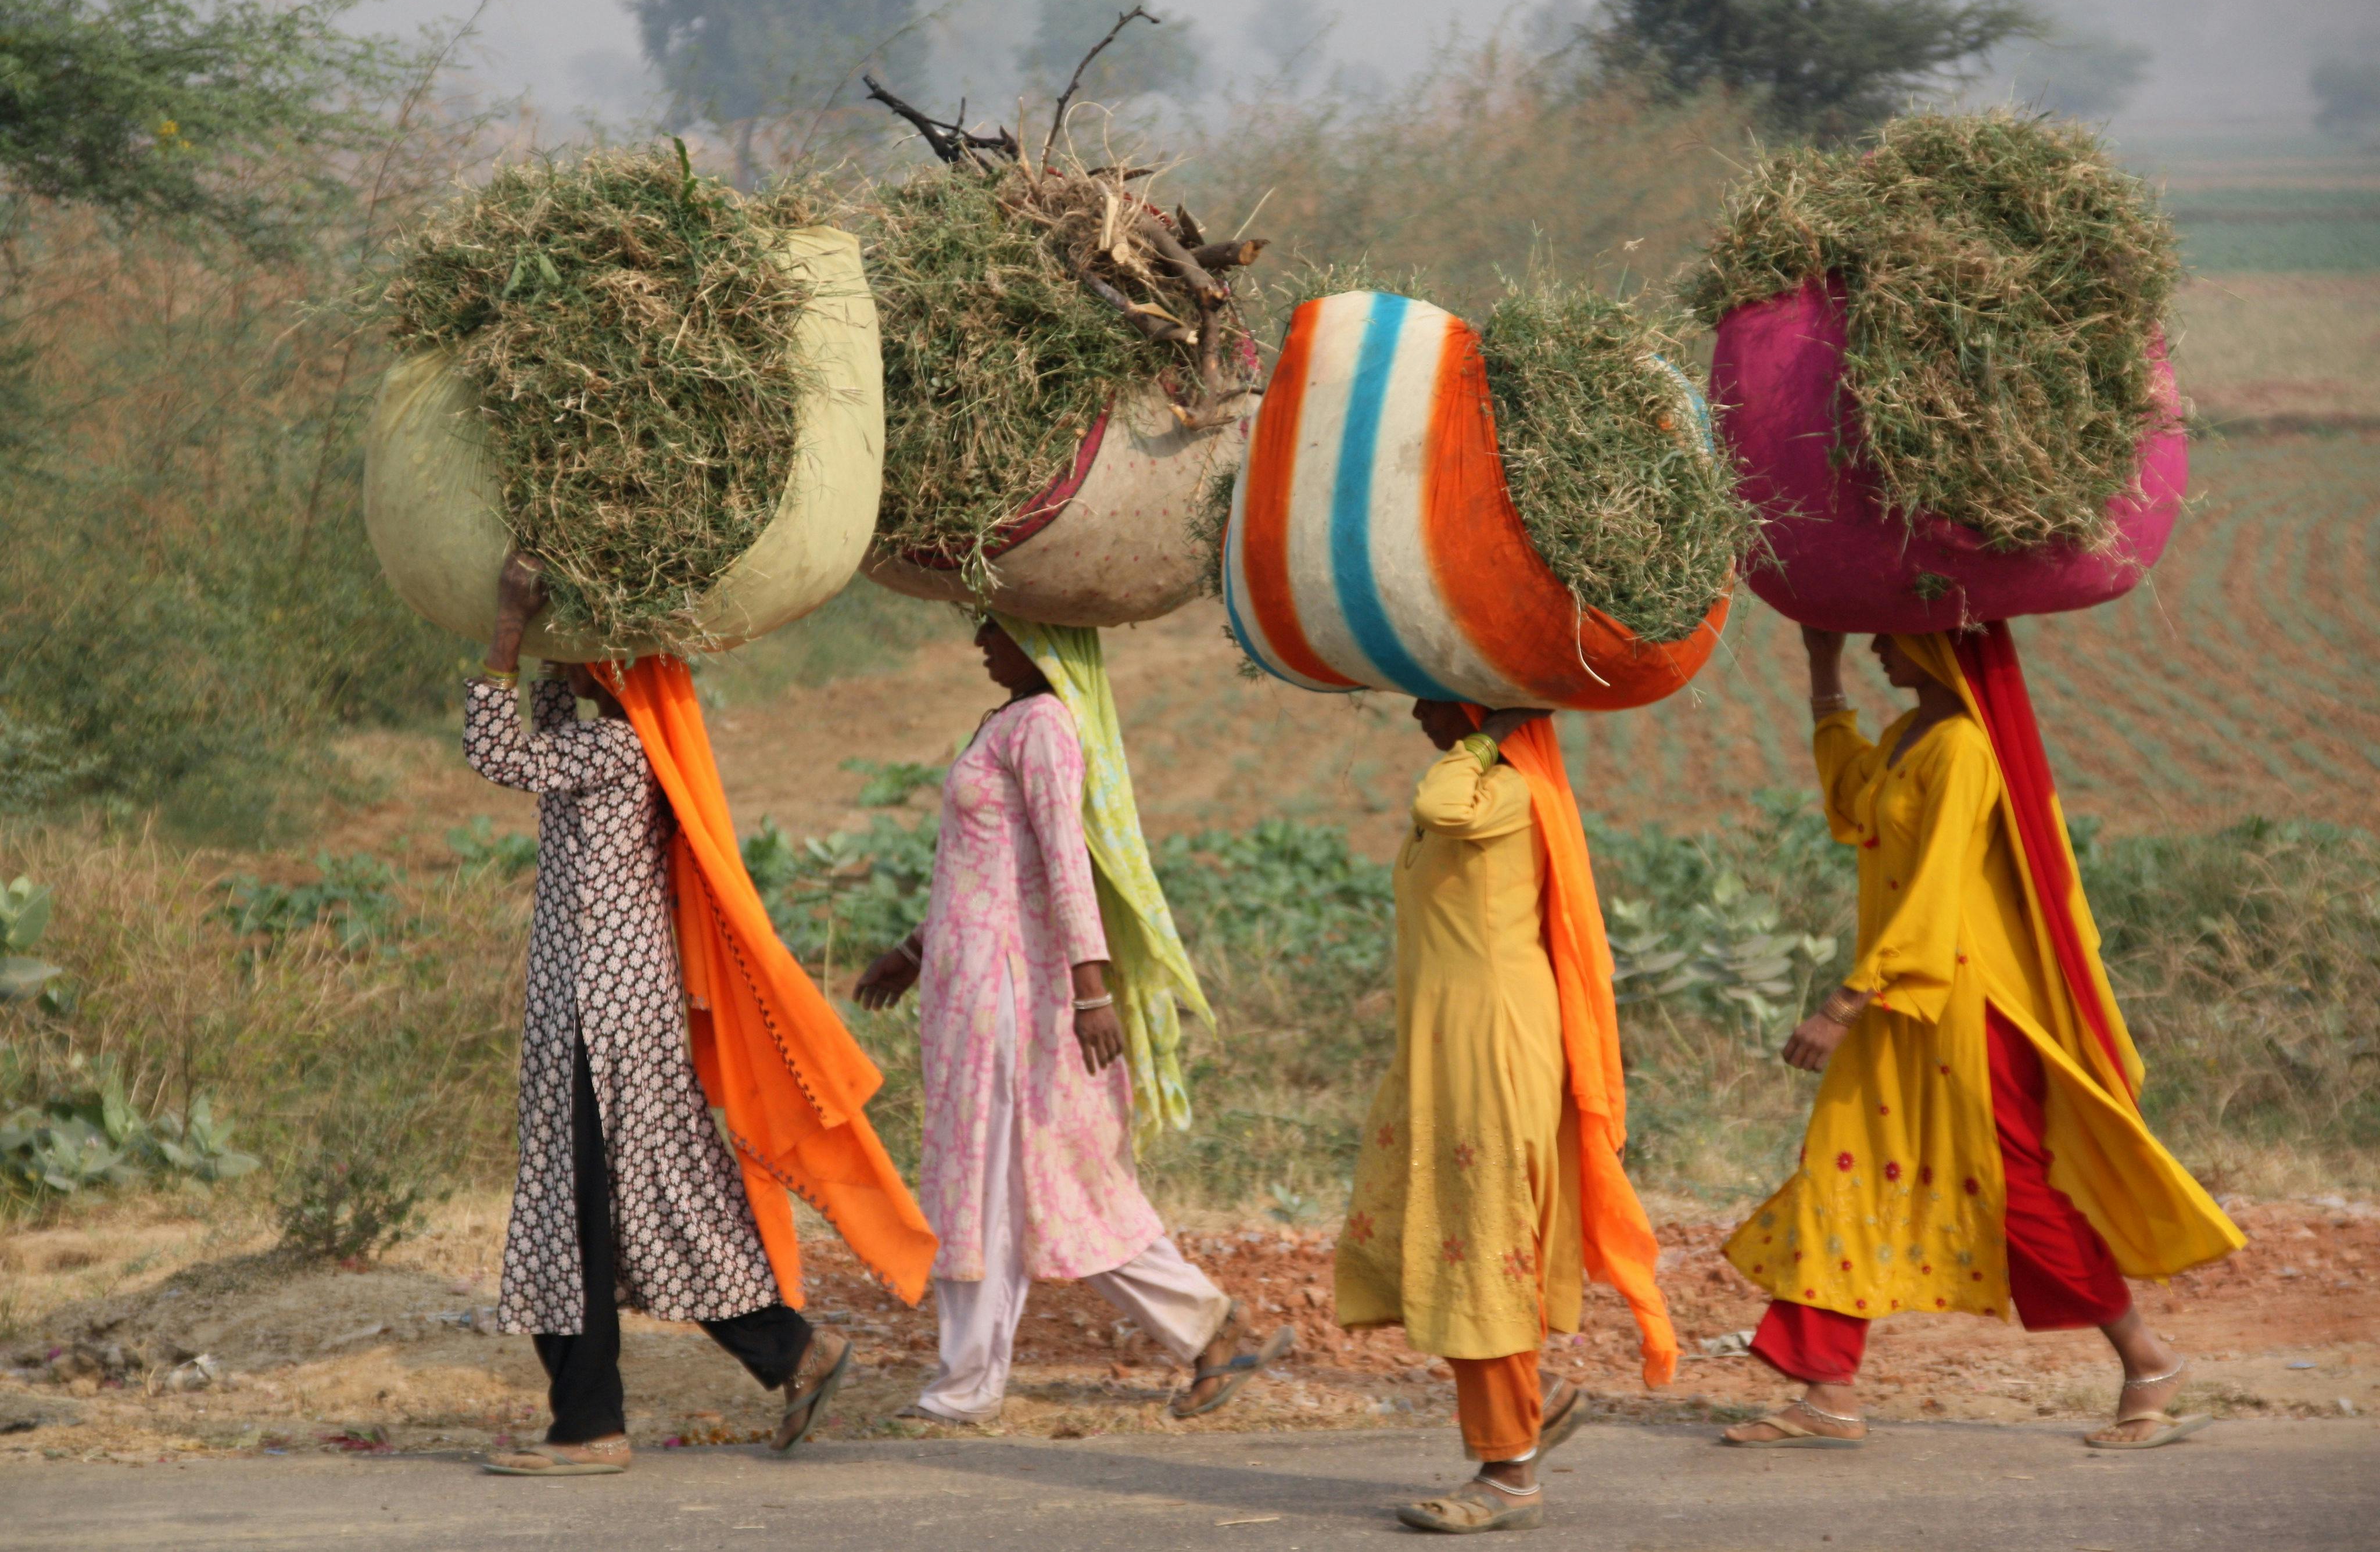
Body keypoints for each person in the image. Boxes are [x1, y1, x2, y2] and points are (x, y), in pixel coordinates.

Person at [466, 552, 935, 1475]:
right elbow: (547, 728)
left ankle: (591, 1425)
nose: (571, 671)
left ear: (616, 676)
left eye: (586, 657)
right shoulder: (626, 746)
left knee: (582, 1214)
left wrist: (510, 631)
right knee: (650, 1204)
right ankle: (795, 1356)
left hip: (600, 1024)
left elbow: (497, 752)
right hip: (614, 1016)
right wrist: (559, 655)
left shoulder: (612, 752)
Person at [1721, 626, 2246, 1451]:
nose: (1877, 649)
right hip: (1899, 1005)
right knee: (1841, 1167)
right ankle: (1828, 1392)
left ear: (1941, 649)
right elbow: (1848, 801)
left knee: (2016, 1190)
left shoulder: (1964, 749)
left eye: (1891, 638)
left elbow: (1935, 894)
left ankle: (2149, 1361)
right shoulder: (1907, 736)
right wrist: (1821, 668)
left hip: (1960, 1008)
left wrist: (1843, 1004)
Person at [854, 615, 1291, 1426]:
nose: (981, 637)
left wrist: (1092, 993)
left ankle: (969, 1383)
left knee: (995, 1182)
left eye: (999, 626)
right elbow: (986, 870)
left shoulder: (1046, 725)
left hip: (1014, 998)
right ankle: (1206, 1329)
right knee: (1026, 1182)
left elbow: (1065, 862)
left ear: (1045, 643)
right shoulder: (1008, 720)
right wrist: (914, 951)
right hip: (973, 989)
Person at [1338, 700, 1678, 1535]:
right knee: (1448, 1235)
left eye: (1435, 696)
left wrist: (1492, 732)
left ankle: (1510, 1474)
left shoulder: (1506, 790)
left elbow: (1437, 805)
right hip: (1446, 1046)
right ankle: (1538, 1403)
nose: (1418, 709)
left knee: (1482, 1241)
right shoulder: (1487, 785)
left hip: (1494, 1044)